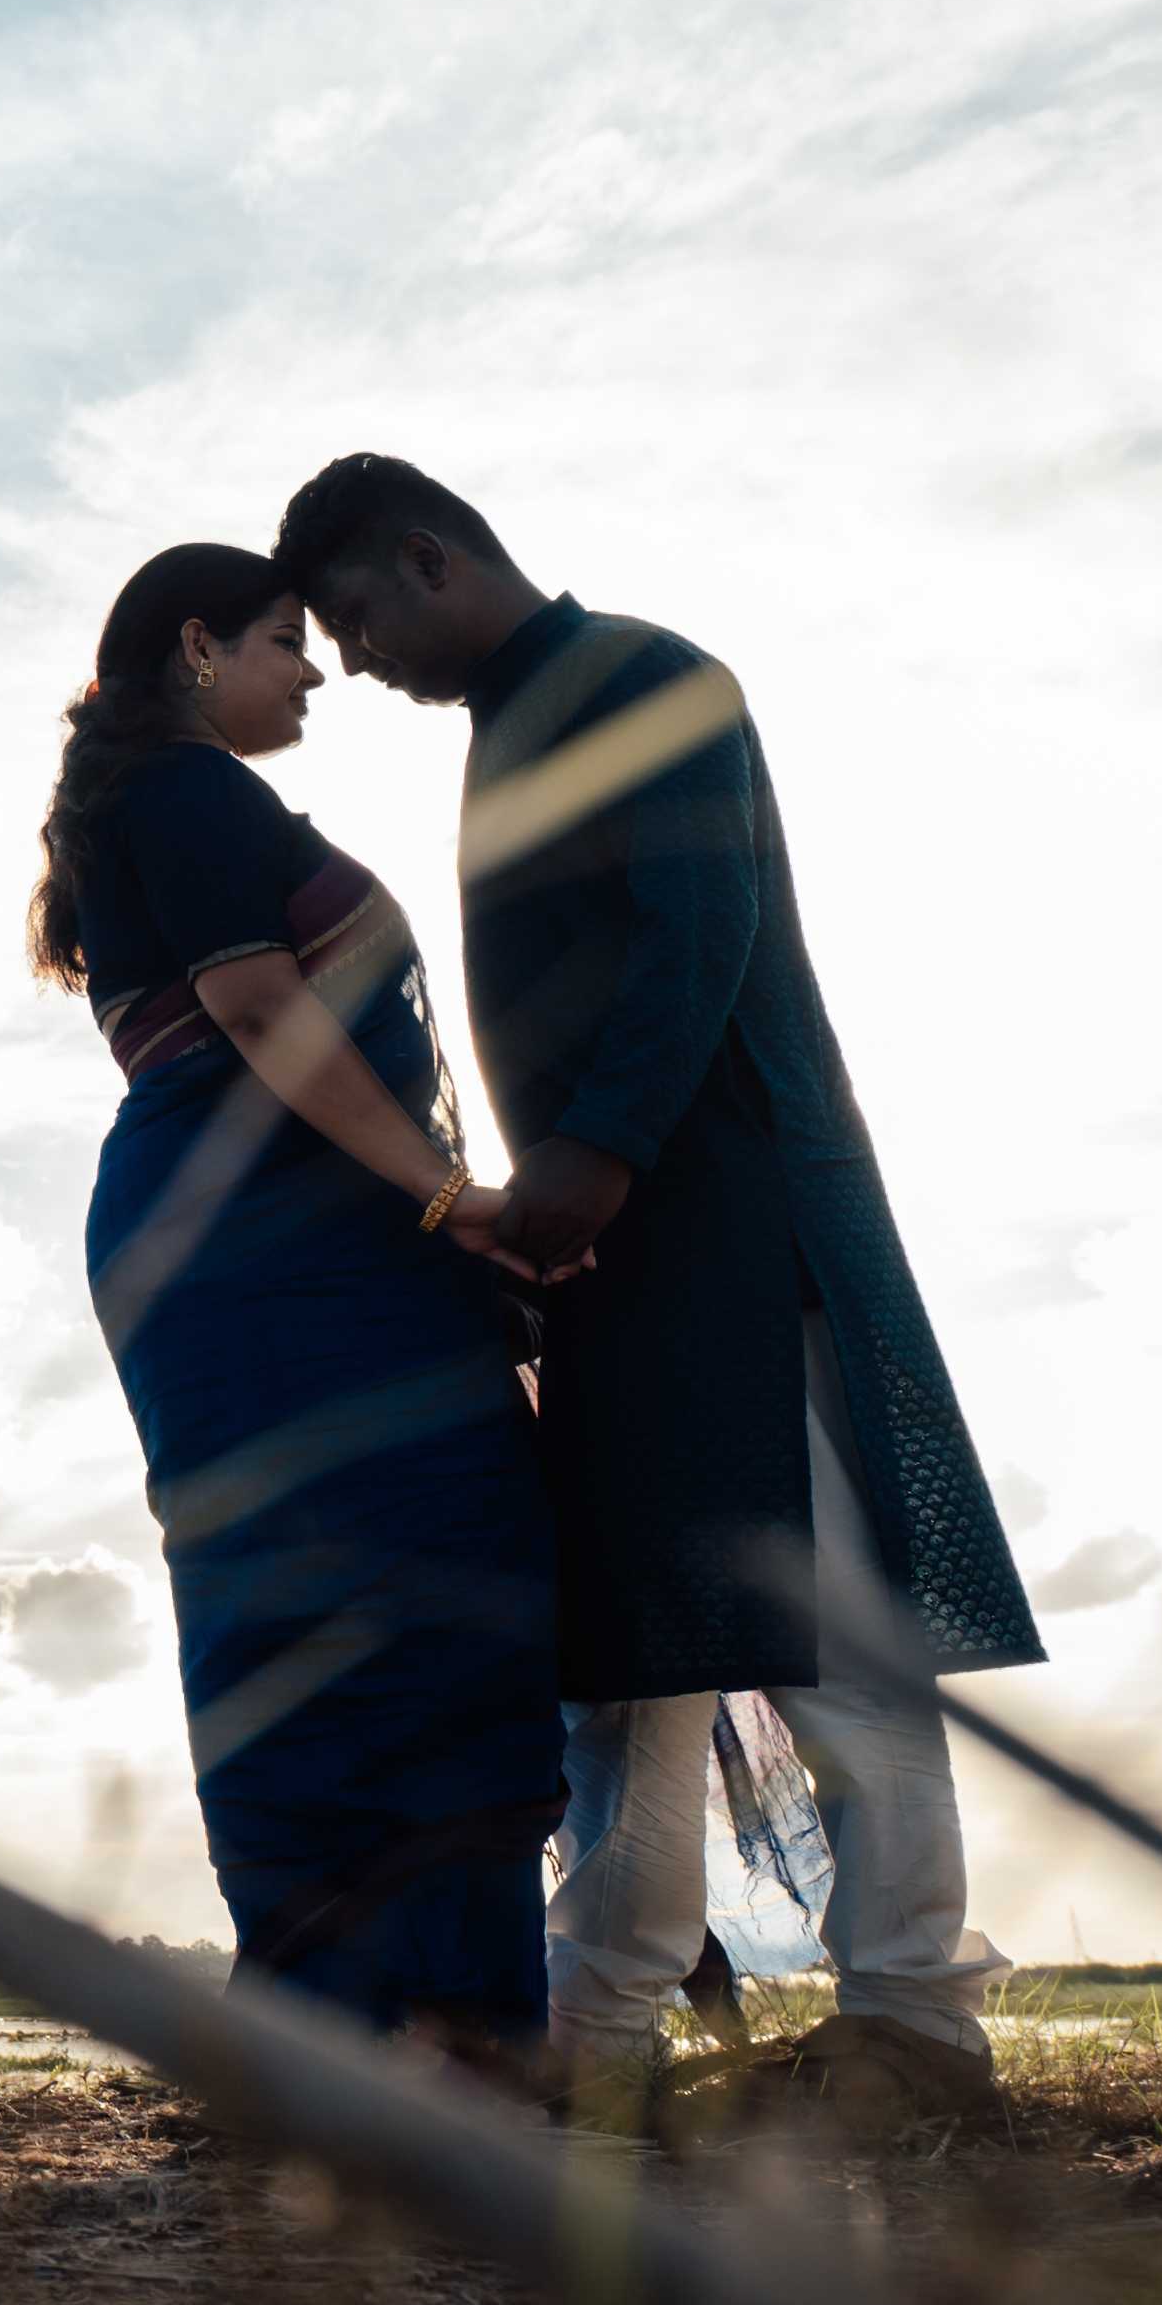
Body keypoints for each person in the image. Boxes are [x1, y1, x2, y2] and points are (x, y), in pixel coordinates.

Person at [268, 455, 1043, 2133]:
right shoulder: (512, 728)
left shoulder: (645, 676)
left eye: (355, 620)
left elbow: (702, 932)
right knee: (633, 1671)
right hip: (617, 1264)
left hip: (747, 1234)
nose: (354, 664)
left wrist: (598, 1156)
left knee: (838, 1643)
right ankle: (599, 2038)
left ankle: (915, 2021)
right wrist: (565, 1221)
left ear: (427, 559)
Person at [33, 544, 565, 2055]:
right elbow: (259, 1005)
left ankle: (407, 2022)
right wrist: (452, 1198)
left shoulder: (173, 798)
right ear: (195, 647)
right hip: (268, 1249)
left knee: (388, 1584)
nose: (314, 671)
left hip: (275, 1240)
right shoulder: (187, 792)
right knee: (364, 1592)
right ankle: (374, 2029)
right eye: (284, 641)